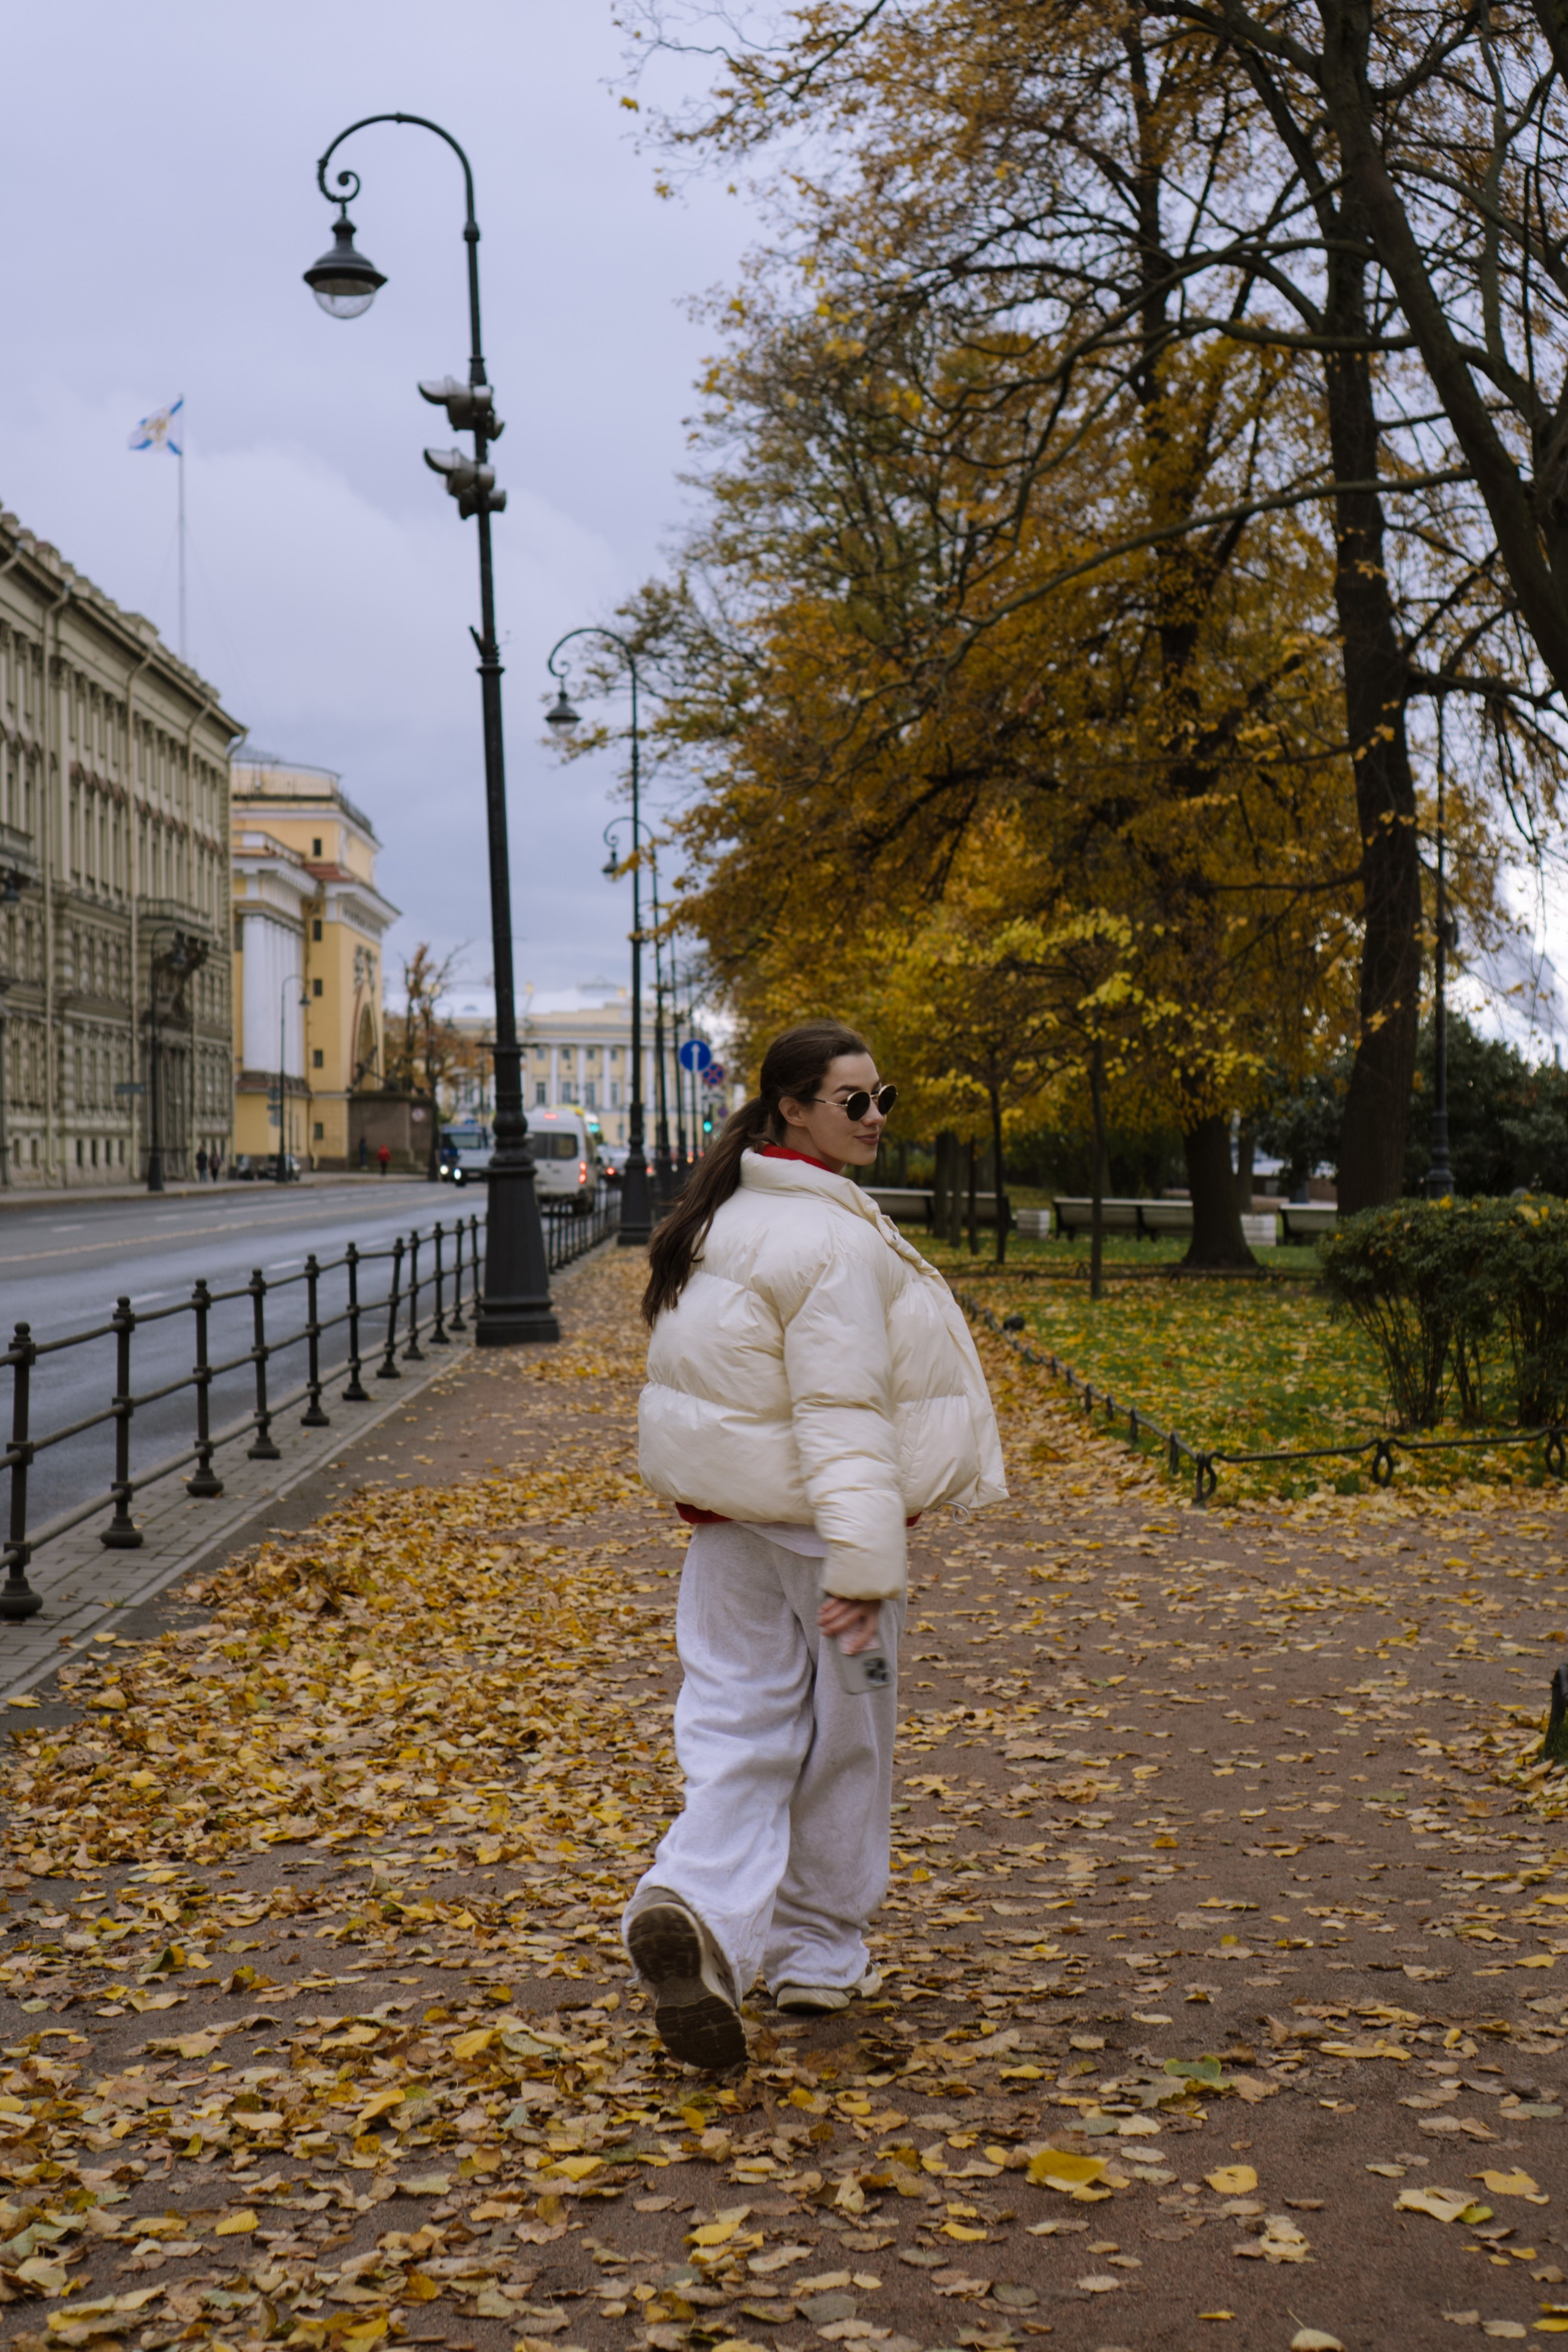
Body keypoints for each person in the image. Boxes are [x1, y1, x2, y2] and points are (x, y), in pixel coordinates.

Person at [627, 1019, 1006, 2068]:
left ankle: (690, 1905)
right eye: (855, 1101)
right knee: (848, 1749)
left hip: (726, 1539)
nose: (878, 1117)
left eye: (886, 1097)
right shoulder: (830, 1237)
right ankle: (819, 1956)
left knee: (738, 1733)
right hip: (827, 1545)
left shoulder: (721, 1220)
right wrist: (864, 1566)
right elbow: (842, 1412)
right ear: (793, 1108)